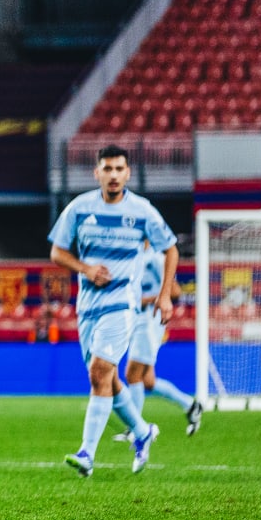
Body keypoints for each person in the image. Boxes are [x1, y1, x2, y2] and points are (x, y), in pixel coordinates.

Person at [48, 144, 178, 477]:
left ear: (128, 173)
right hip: (88, 307)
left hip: (123, 304)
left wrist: (164, 297)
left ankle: (87, 454)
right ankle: (143, 431)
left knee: (100, 370)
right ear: (97, 173)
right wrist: (86, 269)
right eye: (107, 169)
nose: (114, 175)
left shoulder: (143, 211)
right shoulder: (79, 209)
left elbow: (171, 249)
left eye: (120, 169)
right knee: (104, 377)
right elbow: (57, 252)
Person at [116, 242, 203, 439]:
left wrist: (145, 300)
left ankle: (135, 428)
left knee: (132, 374)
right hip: (137, 320)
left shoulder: (156, 259)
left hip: (150, 322)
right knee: (148, 381)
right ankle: (191, 405)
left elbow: (175, 292)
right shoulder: (133, 257)